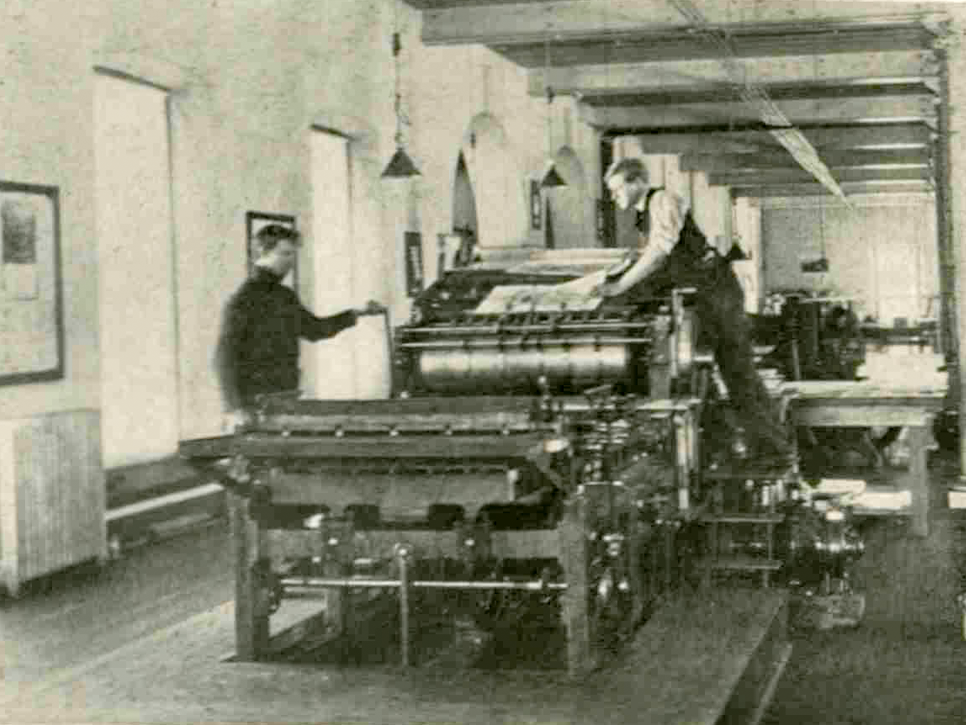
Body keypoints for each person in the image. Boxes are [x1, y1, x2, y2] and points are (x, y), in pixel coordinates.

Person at [595, 158, 793, 466]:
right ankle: (722, 445)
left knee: (738, 374)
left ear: (636, 182)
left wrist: (620, 287)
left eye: (617, 189)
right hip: (702, 295)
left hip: (717, 293)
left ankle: (773, 452)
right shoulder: (645, 213)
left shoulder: (663, 200)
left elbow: (659, 254)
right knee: (704, 379)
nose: (614, 196)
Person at [215, 224, 385, 428]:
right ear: (263, 253)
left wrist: (356, 313)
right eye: (284, 254)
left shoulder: (285, 297)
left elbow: (315, 330)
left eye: (293, 255)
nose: (290, 262)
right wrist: (233, 408)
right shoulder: (244, 299)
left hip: (285, 397)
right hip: (255, 405)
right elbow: (223, 357)